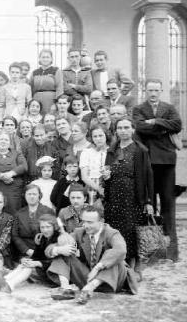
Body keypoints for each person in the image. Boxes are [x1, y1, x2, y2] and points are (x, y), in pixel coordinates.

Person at [45, 206, 138, 304]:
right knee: (62, 253)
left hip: (112, 280)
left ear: (101, 221)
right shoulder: (79, 232)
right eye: (84, 221)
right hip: (88, 278)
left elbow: (121, 250)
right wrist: (59, 249)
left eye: (90, 222)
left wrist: (98, 267)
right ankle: (65, 289)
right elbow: (50, 249)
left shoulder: (111, 233)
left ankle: (90, 288)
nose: (85, 225)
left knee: (112, 256)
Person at [133, 79, 183, 262]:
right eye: (150, 90)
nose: (153, 93)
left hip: (167, 161)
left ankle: (171, 253)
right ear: (145, 90)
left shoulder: (169, 108)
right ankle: (153, 252)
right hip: (148, 161)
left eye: (156, 90)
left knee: (168, 206)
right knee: (150, 205)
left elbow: (177, 125)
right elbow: (139, 127)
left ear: (161, 90)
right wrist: (162, 128)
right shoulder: (139, 109)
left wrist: (155, 121)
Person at [102, 117, 154, 275]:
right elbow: (106, 173)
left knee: (132, 230)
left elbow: (148, 176)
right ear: (116, 131)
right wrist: (105, 177)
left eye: (126, 127)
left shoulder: (140, 150)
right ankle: (119, 264)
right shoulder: (112, 150)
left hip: (132, 196)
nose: (123, 131)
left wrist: (148, 201)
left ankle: (135, 263)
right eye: (120, 128)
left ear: (133, 130)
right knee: (116, 229)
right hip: (114, 196)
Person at [0, 214, 60, 293]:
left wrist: (38, 263)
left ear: (54, 226)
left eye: (48, 227)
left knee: (29, 267)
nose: (45, 230)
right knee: (26, 263)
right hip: (44, 268)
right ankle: (5, 279)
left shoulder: (58, 239)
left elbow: (57, 262)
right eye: (42, 227)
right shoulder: (42, 238)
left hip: (54, 275)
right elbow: (36, 256)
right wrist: (27, 261)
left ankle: (10, 284)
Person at [0, 133, 27, 214]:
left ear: (10, 143)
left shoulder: (17, 153)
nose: (3, 141)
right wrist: (1, 176)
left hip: (12, 189)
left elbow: (24, 166)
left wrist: (10, 174)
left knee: (13, 212)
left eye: (6, 140)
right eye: (1, 139)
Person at [12, 184, 54, 261]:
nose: (32, 196)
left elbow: (53, 234)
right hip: (24, 252)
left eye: (34, 194)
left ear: (39, 196)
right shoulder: (19, 214)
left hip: (44, 252)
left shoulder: (48, 211)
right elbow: (15, 235)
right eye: (29, 194)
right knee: (24, 267)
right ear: (25, 196)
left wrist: (39, 252)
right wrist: (26, 250)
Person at [79, 125, 108, 205]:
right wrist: (99, 188)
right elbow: (84, 177)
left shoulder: (111, 152)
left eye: (100, 135)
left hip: (109, 185)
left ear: (106, 135)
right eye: (95, 136)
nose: (98, 139)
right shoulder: (87, 152)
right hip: (92, 186)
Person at [30, 48, 63, 115]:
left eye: (47, 57)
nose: (45, 59)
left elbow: (60, 88)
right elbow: (30, 88)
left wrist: (56, 103)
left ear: (51, 59)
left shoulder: (56, 70)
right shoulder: (34, 72)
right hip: (37, 100)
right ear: (39, 58)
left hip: (51, 100)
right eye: (43, 57)